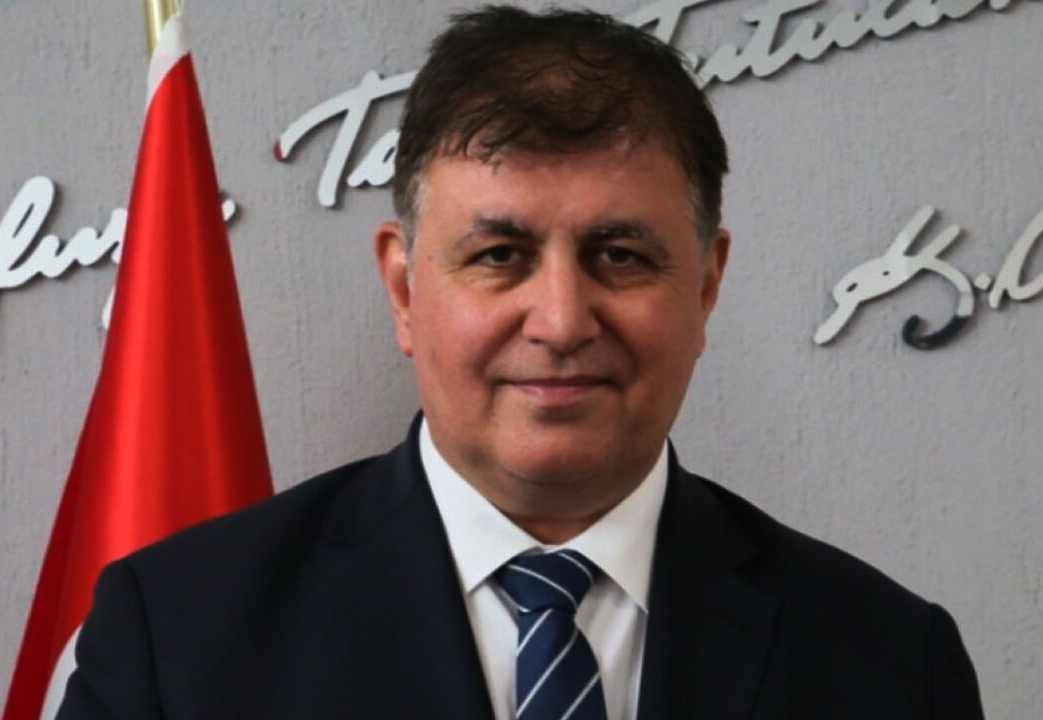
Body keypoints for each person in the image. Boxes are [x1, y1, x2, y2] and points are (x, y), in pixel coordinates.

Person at [57, 5, 985, 719]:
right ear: (404, 289)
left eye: (620, 255)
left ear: (705, 286)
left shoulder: (892, 666)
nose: (562, 321)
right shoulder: (174, 639)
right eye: (499, 255)